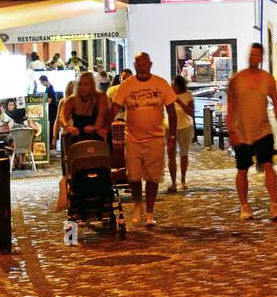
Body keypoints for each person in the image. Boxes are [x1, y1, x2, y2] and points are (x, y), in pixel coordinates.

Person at [107, 52, 177, 227]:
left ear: (150, 64)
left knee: (153, 177)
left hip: (155, 138)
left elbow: (171, 110)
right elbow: (115, 107)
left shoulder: (161, 83)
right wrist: (103, 128)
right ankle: (138, 203)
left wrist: (172, 136)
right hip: (132, 138)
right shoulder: (126, 85)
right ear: (135, 65)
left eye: (145, 63)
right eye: (139, 64)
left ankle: (150, 212)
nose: (142, 66)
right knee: (133, 175)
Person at [226, 42, 277, 221]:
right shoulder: (237, 79)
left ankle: (274, 204)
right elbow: (230, 106)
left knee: (268, 165)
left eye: (256, 55)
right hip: (242, 130)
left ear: (261, 58)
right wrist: (231, 130)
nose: (253, 57)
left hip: (263, 129)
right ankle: (244, 206)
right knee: (242, 169)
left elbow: (276, 104)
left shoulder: (267, 79)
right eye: (251, 54)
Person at [55, 72, 110, 207]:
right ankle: (78, 189)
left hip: (97, 135)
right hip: (78, 136)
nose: (83, 88)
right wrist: (68, 127)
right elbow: (62, 116)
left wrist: (95, 128)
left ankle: (104, 189)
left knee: (101, 163)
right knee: (77, 165)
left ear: (92, 85)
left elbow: (102, 115)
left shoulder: (100, 97)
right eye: (80, 84)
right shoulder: (72, 100)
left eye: (86, 84)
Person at [168, 75, 195, 192]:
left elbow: (191, 113)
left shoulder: (188, 95)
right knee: (171, 155)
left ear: (179, 86)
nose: (172, 86)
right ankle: (173, 182)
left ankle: (183, 180)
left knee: (184, 154)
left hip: (185, 127)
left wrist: (178, 101)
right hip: (170, 128)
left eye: (174, 84)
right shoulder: (168, 95)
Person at [39, 75, 60, 146]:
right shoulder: (48, 87)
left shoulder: (50, 88)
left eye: (41, 82)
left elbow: (49, 101)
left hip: (52, 110)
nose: (41, 84)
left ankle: (51, 142)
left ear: (44, 81)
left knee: (51, 126)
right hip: (51, 110)